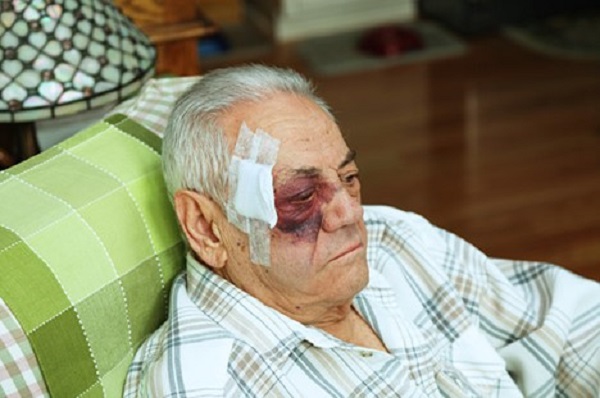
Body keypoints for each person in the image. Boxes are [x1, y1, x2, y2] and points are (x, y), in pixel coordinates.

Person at [124, 65, 599, 397]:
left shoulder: (394, 240)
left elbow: (563, 320)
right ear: (206, 227)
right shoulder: (209, 383)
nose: (349, 212)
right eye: (302, 197)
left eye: (348, 178)